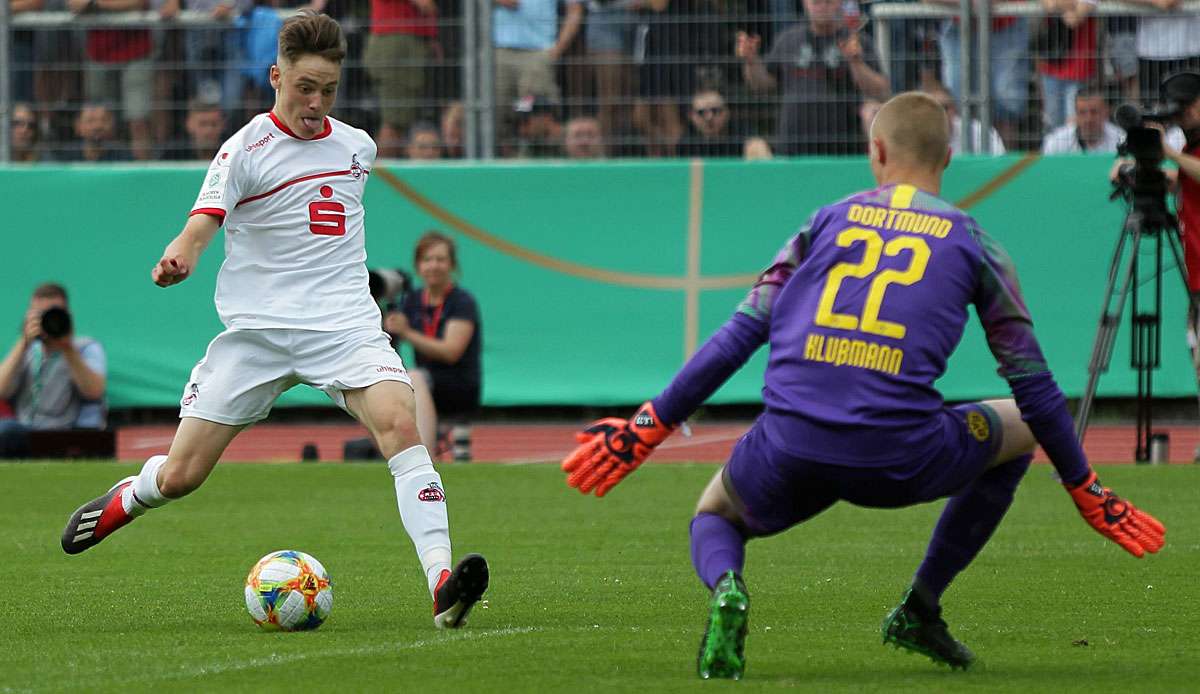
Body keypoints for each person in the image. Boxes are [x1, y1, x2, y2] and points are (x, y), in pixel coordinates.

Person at [560, 92, 1166, 679]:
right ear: (948, 159)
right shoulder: (976, 243)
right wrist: (1085, 487)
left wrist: (646, 429)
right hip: (898, 457)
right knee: (1019, 425)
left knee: (715, 512)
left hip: (792, 444)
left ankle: (728, 587)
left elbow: (740, 334)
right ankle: (922, 607)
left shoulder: (825, 221)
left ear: (876, 151)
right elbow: (1034, 384)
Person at [58, 11, 489, 629]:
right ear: (274, 76)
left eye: (329, 91)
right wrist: (182, 254)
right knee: (182, 476)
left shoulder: (357, 147)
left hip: (343, 326)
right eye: (304, 88)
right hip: (257, 334)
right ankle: (133, 494)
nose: (316, 104)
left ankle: (443, 586)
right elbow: (203, 220)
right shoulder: (244, 149)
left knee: (401, 425)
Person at [736, 0, 890, 156]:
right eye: (816, 2)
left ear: (839, 3)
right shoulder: (788, 40)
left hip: (843, 148)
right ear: (805, 3)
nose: (822, 6)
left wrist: (856, 62)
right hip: (792, 147)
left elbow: (881, 92)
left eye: (828, 2)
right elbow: (761, 85)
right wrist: (751, 61)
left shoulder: (857, 41)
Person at [385, 232, 482, 462]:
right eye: (428, 259)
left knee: (416, 377)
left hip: (459, 385)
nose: (434, 266)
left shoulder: (461, 301)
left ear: (451, 265)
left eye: (440, 259)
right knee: (394, 383)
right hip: (424, 384)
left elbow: (451, 352)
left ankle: (425, 458)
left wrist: (407, 332)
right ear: (418, 266)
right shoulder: (412, 300)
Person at [0, 283, 107, 458]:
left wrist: (67, 348)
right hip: (22, 432)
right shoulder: (26, 351)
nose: (47, 320)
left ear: (67, 316)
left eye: (53, 314)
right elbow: (1, 391)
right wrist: (23, 342)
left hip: (64, 433)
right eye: (40, 315)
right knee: (6, 430)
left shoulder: (85, 348)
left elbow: (94, 392)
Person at [1042, 88, 1123, 155]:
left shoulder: (1121, 140)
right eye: (1082, 112)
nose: (1088, 119)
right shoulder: (1055, 142)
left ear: (1106, 113)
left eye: (1094, 112)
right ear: (1075, 115)